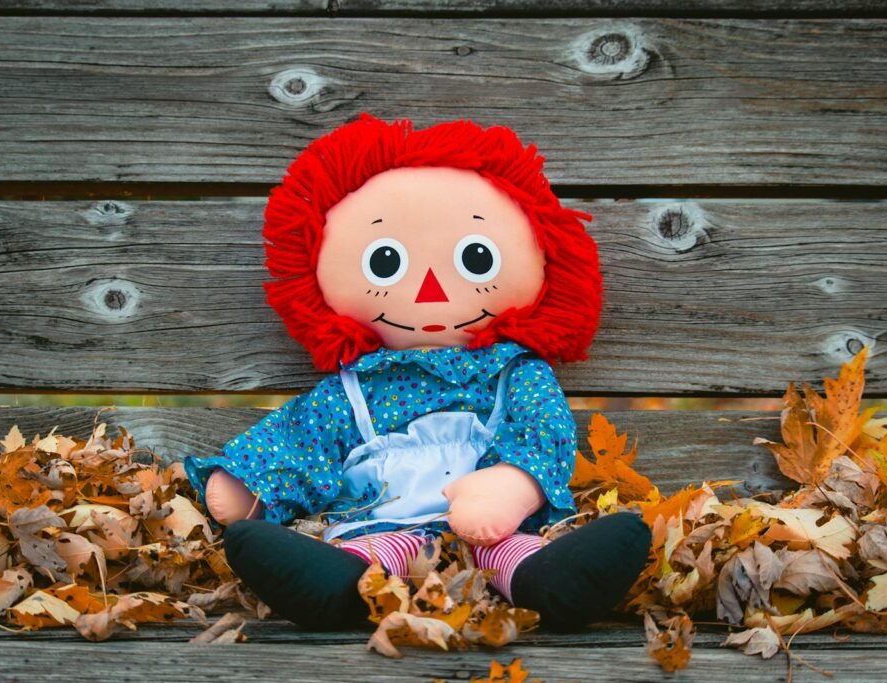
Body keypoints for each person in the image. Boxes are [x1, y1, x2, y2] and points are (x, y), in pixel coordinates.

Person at [182, 113, 650, 631]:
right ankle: (340, 588)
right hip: (384, 520)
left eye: (476, 257)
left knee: (508, 548)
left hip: (494, 528)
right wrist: (253, 485)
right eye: (386, 262)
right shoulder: (354, 387)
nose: (430, 291)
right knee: (379, 551)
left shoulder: (514, 372)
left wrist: (509, 486)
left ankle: (548, 582)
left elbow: (546, 435)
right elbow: (301, 440)